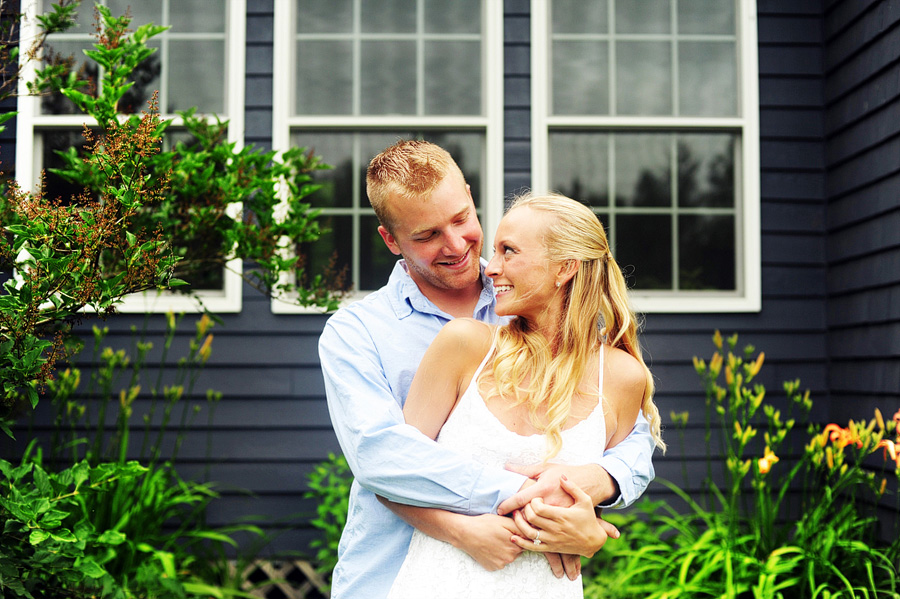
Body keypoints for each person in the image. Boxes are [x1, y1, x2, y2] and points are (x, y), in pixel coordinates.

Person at [318, 140, 657, 599]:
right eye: (427, 235)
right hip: (391, 574)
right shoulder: (356, 333)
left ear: (472, 199)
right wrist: (525, 498)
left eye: (461, 219)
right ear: (391, 240)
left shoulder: (528, 295)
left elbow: (630, 440)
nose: (456, 245)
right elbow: (382, 456)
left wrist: (594, 494)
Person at [385, 192, 665, 598]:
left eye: (508, 252)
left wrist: (592, 529)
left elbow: (620, 474)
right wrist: (464, 531)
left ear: (564, 268)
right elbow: (393, 474)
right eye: (494, 251)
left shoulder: (621, 377)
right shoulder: (465, 347)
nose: (490, 268)